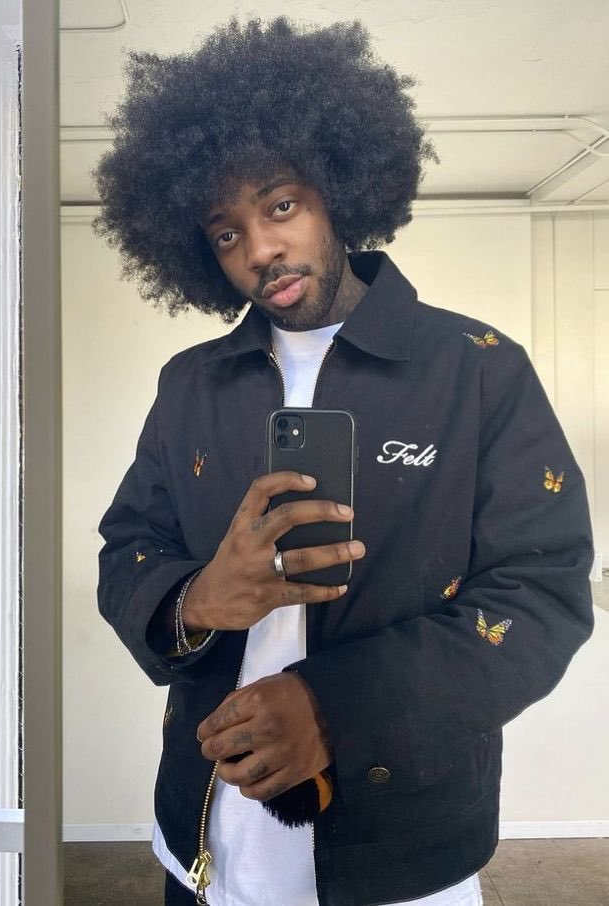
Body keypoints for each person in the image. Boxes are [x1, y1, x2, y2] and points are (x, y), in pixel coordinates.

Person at [94, 18, 594, 906]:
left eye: (279, 206)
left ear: (335, 189)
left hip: (405, 851)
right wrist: (198, 598)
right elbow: (127, 548)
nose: (260, 250)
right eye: (225, 234)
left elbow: (540, 593)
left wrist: (335, 707)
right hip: (205, 842)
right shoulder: (190, 384)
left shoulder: (474, 368)